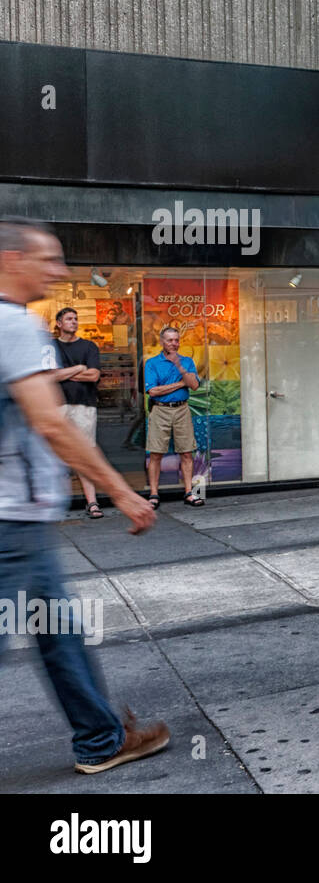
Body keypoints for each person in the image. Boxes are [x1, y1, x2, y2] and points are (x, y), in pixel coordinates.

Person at [0, 217, 168, 774]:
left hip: (21, 515)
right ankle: (100, 738)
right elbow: (51, 424)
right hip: (11, 516)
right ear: (10, 260)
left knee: (59, 631)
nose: (61, 270)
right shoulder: (15, 325)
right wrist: (122, 491)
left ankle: (100, 739)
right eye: (48, 259)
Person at [50, 307, 104, 518]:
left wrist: (65, 373)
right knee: (56, 454)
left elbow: (93, 376)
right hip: (57, 405)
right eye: (69, 319)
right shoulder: (51, 346)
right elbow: (50, 376)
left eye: (76, 318)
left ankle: (92, 503)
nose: (74, 322)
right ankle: (58, 505)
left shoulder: (89, 346)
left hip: (84, 406)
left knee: (85, 454)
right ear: (59, 323)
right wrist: (80, 368)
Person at [143, 326, 202, 508]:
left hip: (182, 409)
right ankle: (154, 494)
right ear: (162, 342)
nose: (174, 344)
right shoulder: (152, 363)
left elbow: (193, 386)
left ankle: (188, 492)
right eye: (170, 340)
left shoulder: (187, 361)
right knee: (156, 453)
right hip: (160, 410)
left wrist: (179, 366)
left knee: (186, 452)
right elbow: (152, 391)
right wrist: (179, 384)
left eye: (176, 340)